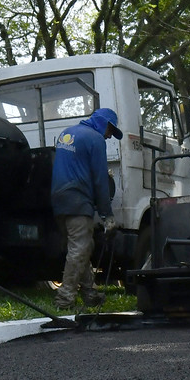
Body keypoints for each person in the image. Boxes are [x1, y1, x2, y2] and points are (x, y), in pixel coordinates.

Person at [50, 106, 120, 308]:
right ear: (103, 124)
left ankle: (90, 294)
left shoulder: (67, 133)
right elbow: (100, 179)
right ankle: (65, 298)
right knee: (79, 249)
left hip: (59, 199)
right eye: (110, 131)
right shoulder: (95, 139)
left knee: (82, 247)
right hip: (78, 200)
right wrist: (107, 215)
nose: (108, 136)